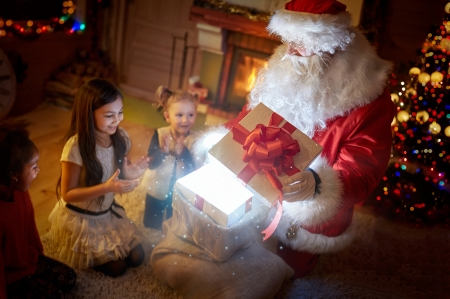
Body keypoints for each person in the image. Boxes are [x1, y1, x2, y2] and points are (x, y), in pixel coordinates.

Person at [194, 0, 396, 279]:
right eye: (287, 40)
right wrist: (222, 143)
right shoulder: (287, 59)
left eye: (298, 42)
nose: (288, 51)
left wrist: (317, 186)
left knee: (277, 269)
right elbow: (250, 116)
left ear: (329, 42)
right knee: (209, 238)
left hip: (302, 219)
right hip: (256, 183)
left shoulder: (370, 97)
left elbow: (364, 171)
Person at [47, 78, 149, 277]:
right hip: (84, 217)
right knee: (117, 268)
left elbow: (120, 171)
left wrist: (130, 173)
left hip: (106, 213)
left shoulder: (121, 137)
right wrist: (108, 188)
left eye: (120, 112)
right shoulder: (75, 148)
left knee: (138, 257)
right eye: (109, 115)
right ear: (88, 115)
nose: (118, 120)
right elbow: (68, 194)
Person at [0, 120, 77, 299]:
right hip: (9, 277)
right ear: (14, 175)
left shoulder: (21, 193)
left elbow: (30, 230)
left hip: (26, 261)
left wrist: (38, 259)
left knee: (69, 278)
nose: (38, 171)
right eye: (34, 167)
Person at [143, 86, 197, 230]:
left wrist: (183, 153)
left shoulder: (194, 141)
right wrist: (162, 152)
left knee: (174, 224)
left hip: (179, 193)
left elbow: (196, 171)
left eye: (190, 115)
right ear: (167, 116)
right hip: (157, 186)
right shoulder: (160, 134)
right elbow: (151, 164)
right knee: (151, 224)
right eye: (179, 115)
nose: (185, 120)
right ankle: (152, 230)